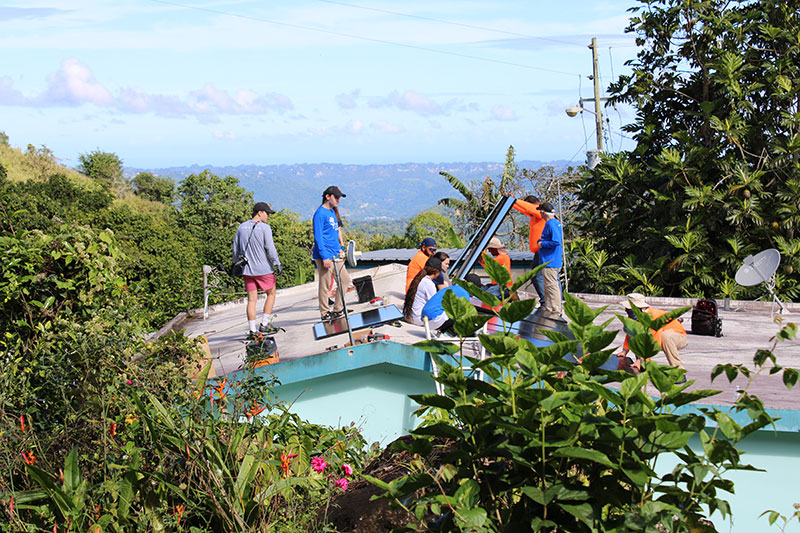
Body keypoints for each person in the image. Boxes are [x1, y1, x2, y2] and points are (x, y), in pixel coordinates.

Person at [232, 201, 282, 335]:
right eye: (267, 214)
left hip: (247, 270)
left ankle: (252, 330)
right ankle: (264, 324)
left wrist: (236, 263)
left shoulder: (241, 227)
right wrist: (277, 263)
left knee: (252, 300)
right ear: (259, 213)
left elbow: (235, 249)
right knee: (271, 294)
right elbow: (270, 249)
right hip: (264, 269)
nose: (268, 217)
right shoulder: (265, 228)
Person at [617, 293, 688, 379]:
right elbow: (630, 334)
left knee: (665, 336)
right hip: (659, 338)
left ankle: (678, 372)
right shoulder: (632, 318)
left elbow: (655, 340)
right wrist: (624, 351)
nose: (626, 311)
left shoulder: (653, 317)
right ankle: (643, 366)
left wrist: (642, 359)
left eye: (629, 309)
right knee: (637, 336)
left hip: (678, 337)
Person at [312, 186, 352, 321]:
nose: (338, 200)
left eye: (339, 198)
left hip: (336, 253)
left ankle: (338, 308)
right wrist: (325, 257)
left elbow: (333, 234)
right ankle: (324, 313)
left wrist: (339, 248)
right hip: (325, 255)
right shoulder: (320, 213)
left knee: (345, 280)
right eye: (336, 197)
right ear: (327, 196)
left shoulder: (332, 213)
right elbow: (318, 237)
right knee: (325, 284)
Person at [512, 195, 547, 306]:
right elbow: (525, 210)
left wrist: (516, 201)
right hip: (538, 252)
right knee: (538, 276)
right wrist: (513, 203)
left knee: (539, 276)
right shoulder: (535, 216)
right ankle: (545, 301)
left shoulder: (541, 213)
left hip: (543, 251)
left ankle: (545, 301)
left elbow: (529, 209)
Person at [537, 202, 563, 316]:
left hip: (550, 260)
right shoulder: (555, 223)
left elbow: (556, 241)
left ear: (542, 212)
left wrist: (542, 244)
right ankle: (549, 308)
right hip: (549, 260)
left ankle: (556, 310)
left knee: (552, 286)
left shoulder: (551, 224)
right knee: (548, 286)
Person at [403, 257, 442, 325]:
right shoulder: (429, 284)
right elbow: (434, 305)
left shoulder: (419, 279)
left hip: (409, 316)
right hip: (418, 319)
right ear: (437, 272)